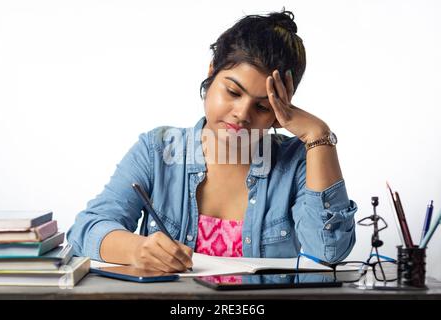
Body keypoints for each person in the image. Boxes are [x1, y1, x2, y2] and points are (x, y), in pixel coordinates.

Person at [67, 9, 358, 273]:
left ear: (283, 107)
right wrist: (136, 249)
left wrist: (319, 137)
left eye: (262, 107)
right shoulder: (157, 149)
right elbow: (85, 230)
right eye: (233, 92)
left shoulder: (296, 161)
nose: (241, 114)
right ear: (211, 73)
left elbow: (329, 252)